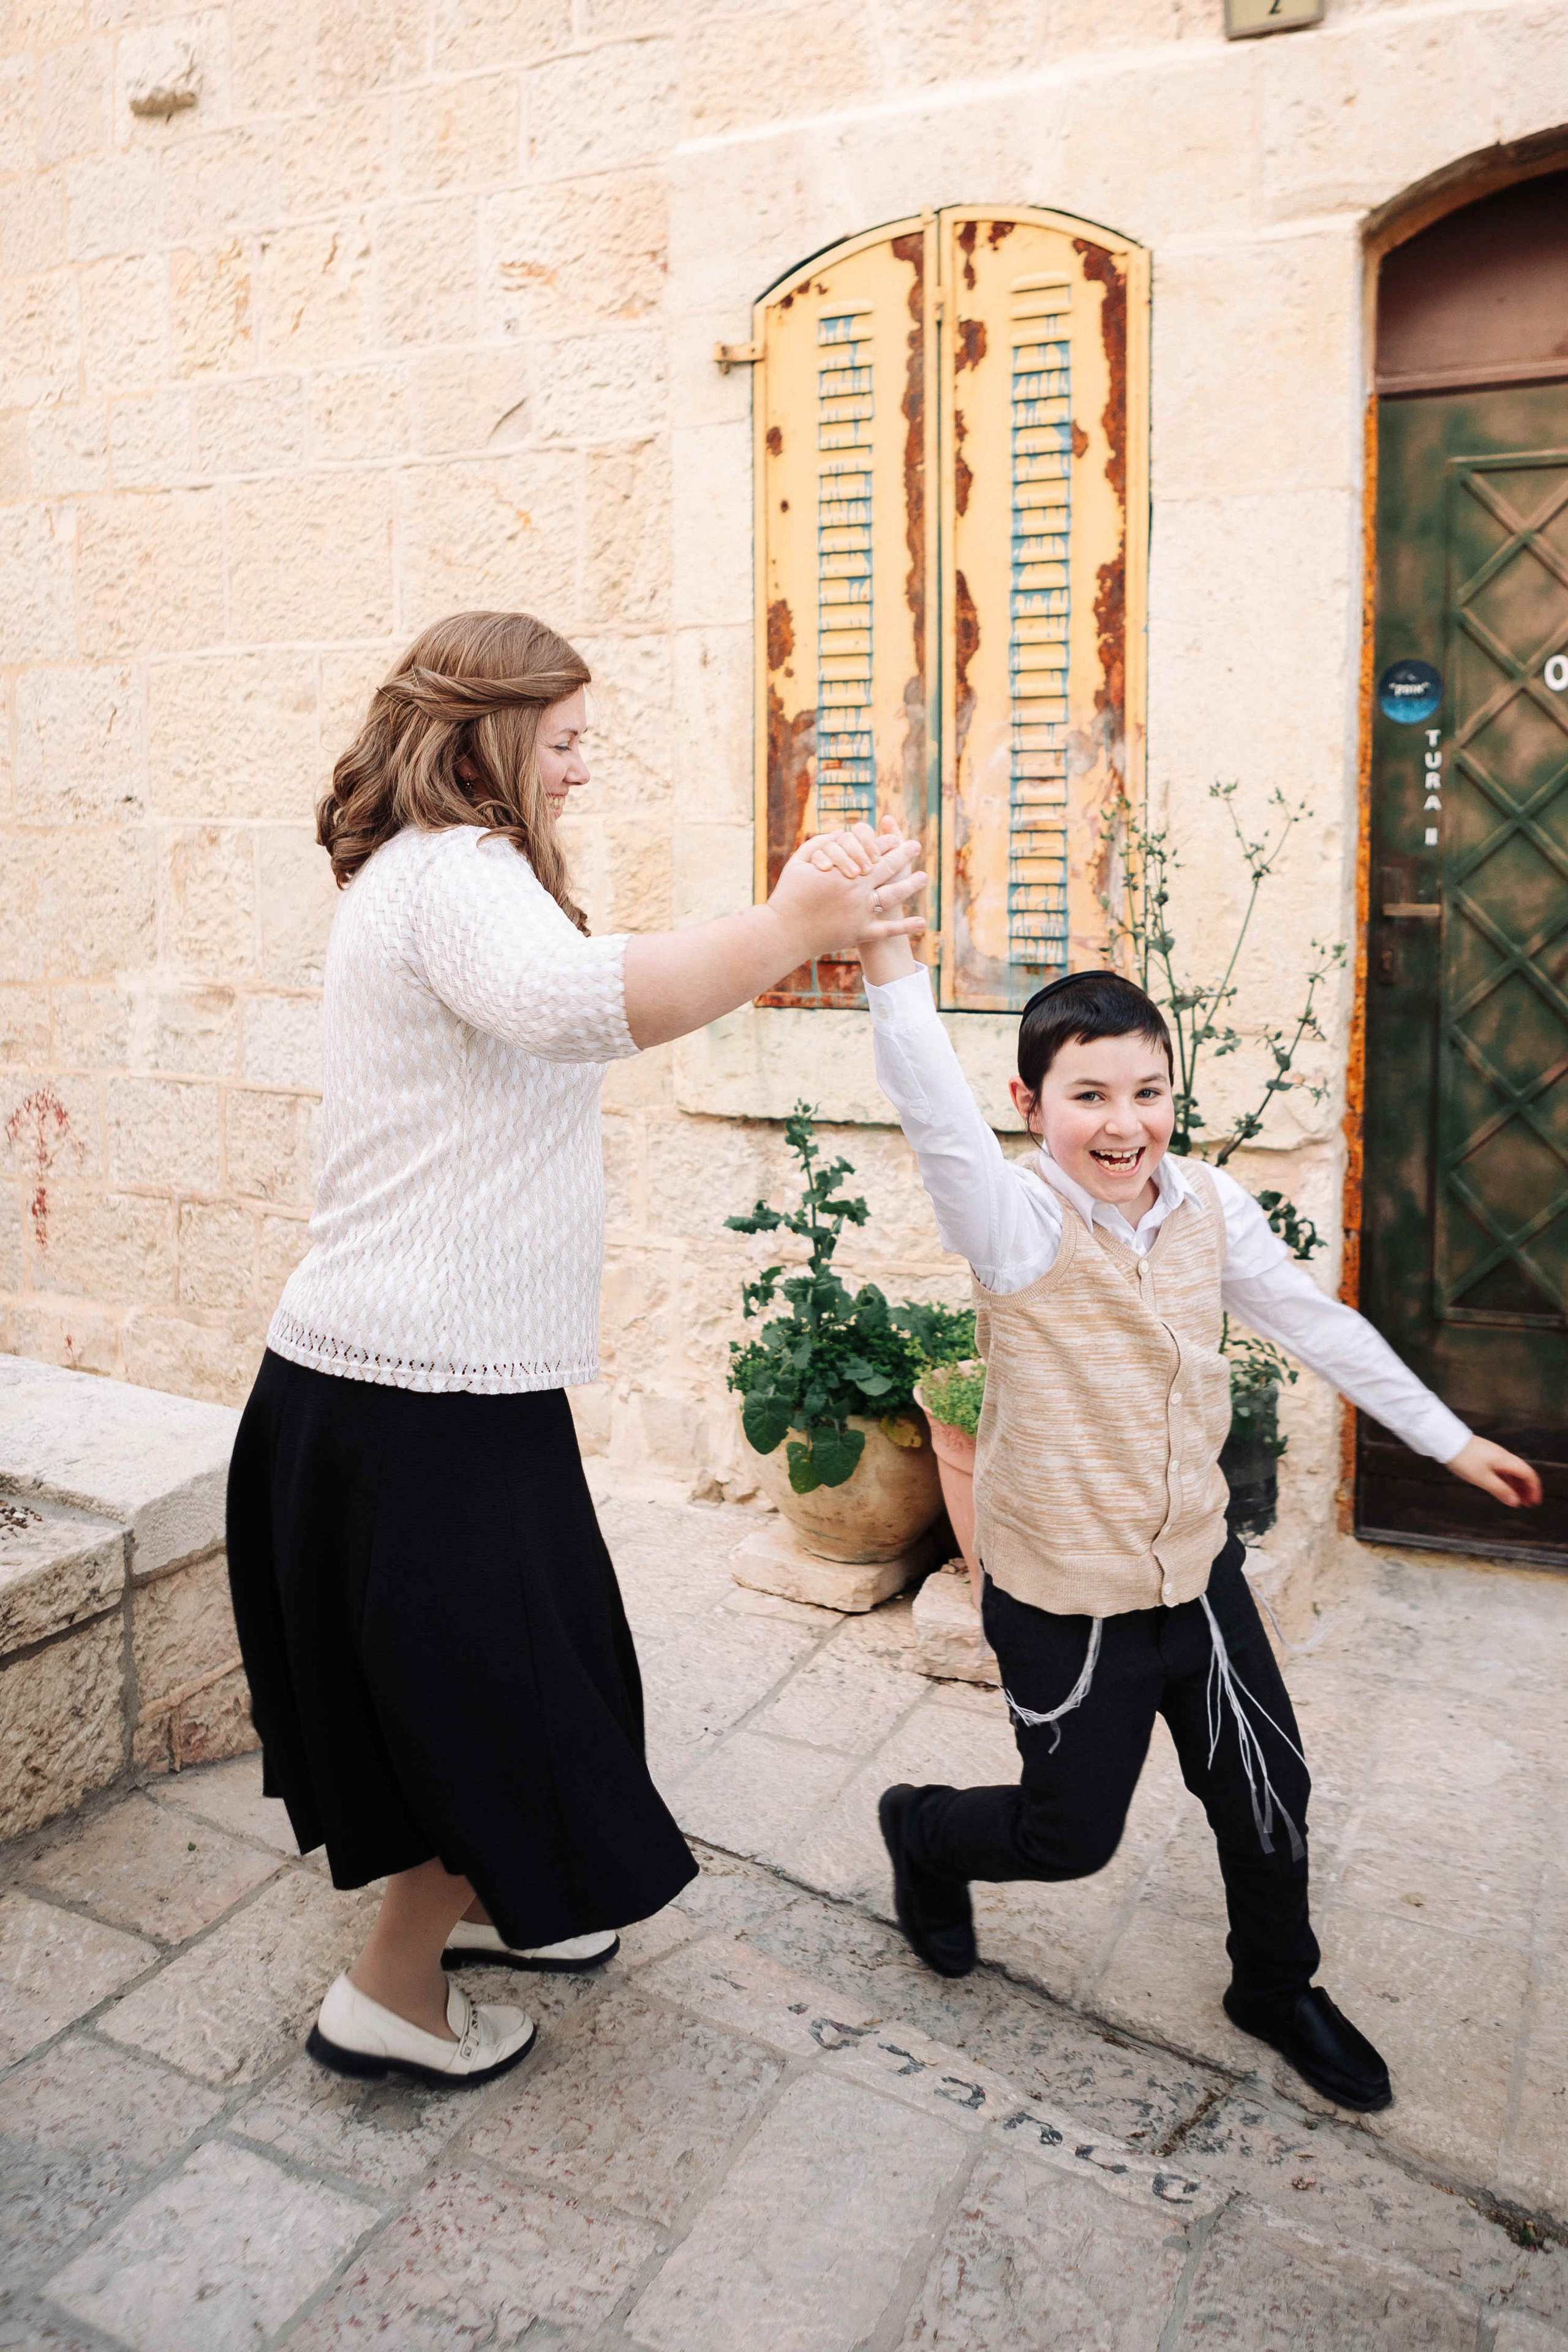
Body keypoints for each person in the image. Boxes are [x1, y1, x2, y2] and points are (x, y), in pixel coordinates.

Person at [225, 611, 925, 2089]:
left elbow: (582, 982)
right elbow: (584, 1006)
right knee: (491, 1702)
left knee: (528, 1680)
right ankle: (389, 1998)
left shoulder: (427, 874)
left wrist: (799, 920)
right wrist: (791, 925)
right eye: (563, 743)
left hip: (410, 1381)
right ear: (484, 735)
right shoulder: (458, 873)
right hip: (413, 1396)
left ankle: (501, 1901)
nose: (581, 770)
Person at [836, 818, 1540, 2114]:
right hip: (1066, 1595)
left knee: (1267, 1790)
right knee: (1067, 1838)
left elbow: (1315, 1324)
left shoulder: (1210, 1206)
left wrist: (1447, 1438)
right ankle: (921, 1831)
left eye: (1147, 1093)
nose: (1125, 1126)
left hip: (1194, 1576)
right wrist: (887, 954)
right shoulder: (1010, 1221)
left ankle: (1272, 1985)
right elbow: (930, 1108)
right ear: (1031, 1107)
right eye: (1089, 1097)